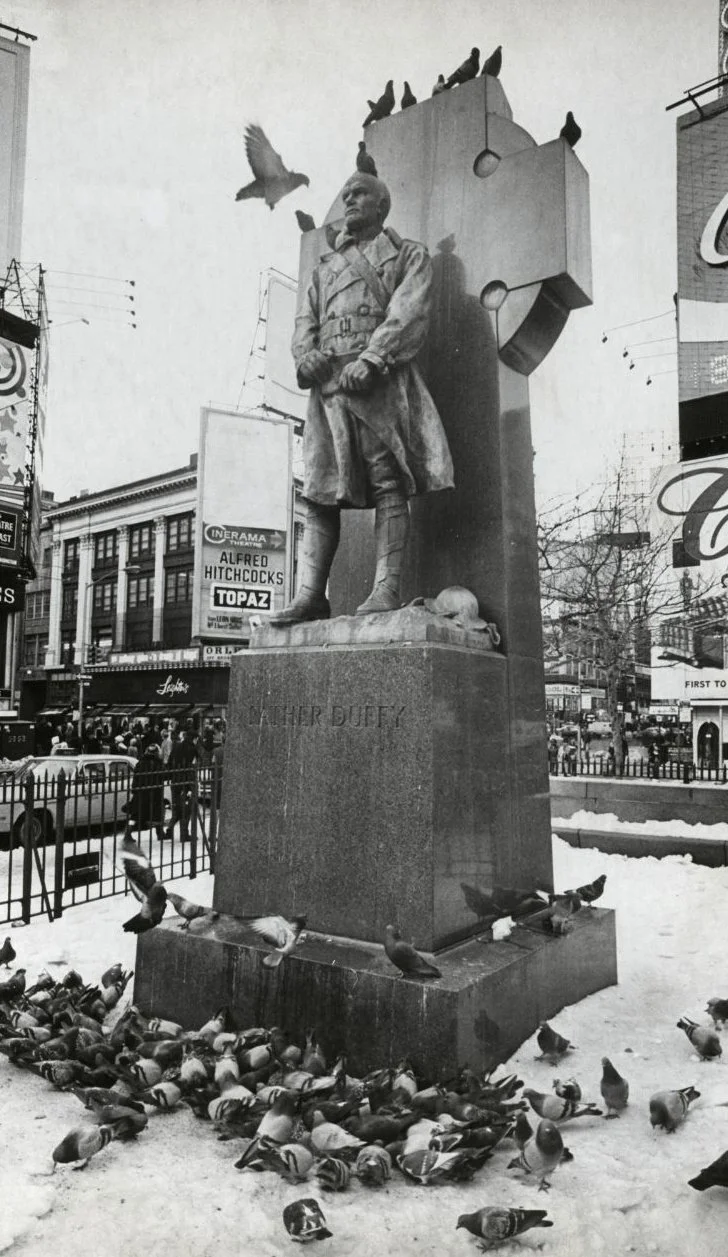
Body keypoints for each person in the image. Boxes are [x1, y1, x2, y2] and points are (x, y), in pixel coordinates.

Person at [270, 170, 454, 625]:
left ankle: (386, 587)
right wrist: (307, 358)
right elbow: (304, 324)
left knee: (387, 481)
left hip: (377, 386)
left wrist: (372, 358)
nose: (349, 200)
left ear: (381, 205)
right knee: (318, 492)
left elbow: (408, 312)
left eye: (359, 194)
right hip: (329, 392)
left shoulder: (408, 255)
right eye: (346, 194)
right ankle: (311, 594)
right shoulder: (325, 269)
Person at [125, 742, 166, 843]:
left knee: (135, 815)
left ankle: (128, 833)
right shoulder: (158, 763)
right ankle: (160, 833)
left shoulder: (141, 762)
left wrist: (134, 789)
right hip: (155, 792)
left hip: (141, 792)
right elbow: (164, 775)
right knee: (157, 814)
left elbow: (136, 777)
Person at [165, 728, 198, 841]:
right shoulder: (192, 749)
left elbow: (169, 763)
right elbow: (194, 765)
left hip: (175, 781)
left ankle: (170, 829)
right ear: (194, 739)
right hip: (187, 782)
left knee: (176, 807)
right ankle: (184, 834)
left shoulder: (176, 747)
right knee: (186, 809)